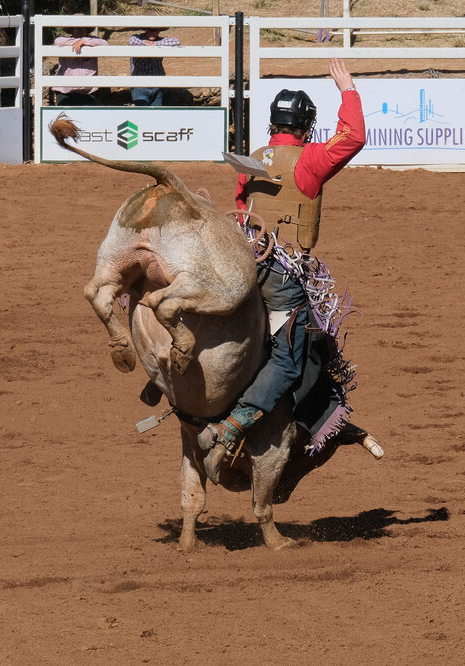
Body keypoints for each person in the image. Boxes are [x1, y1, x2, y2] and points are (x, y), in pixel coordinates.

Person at [196, 58, 375, 483]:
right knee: (293, 358)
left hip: (245, 261)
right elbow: (354, 136)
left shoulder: (254, 158)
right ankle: (237, 423)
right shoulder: (310, 160)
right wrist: (348, 90)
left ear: (272, 123)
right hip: (283, 273)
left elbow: (242, 209)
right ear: (307, 127)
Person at [53, 23, 108, 106]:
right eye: (76, 29)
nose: (79, 31)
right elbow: (57, 41)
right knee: (65, 114)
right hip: (65, 93)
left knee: (86, 114)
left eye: (82, 28)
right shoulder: (65, 41)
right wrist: (78, 42)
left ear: (87, 30)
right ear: (71, 30)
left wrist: (84, 41)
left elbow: (104, 43)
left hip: (87, 93)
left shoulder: (93, 41)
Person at [128, 27, 180, 107]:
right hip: (139, 86)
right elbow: (133, 42)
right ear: (146, 30)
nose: (152, 32)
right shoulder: (136, 38)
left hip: (157, 86)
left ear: (159, 31)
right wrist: (155, 46)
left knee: (156, 112)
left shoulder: (160, 40)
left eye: (155, 30)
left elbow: (176, 42)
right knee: (142, 111)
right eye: (150, 29)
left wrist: (154, 45)